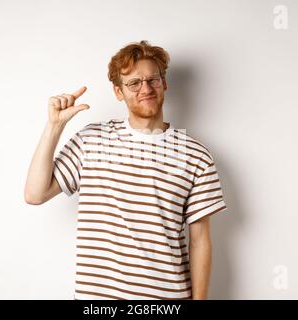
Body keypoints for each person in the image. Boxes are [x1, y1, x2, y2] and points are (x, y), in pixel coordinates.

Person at [24, 40, 227, 300]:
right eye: (134, 83)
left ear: (164, 83)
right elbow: (34, 194)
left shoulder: (195, 155)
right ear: (118, 91)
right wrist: (54, 126)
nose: (146, 89)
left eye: (153, 79)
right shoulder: (91, 140)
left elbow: (200, 241)